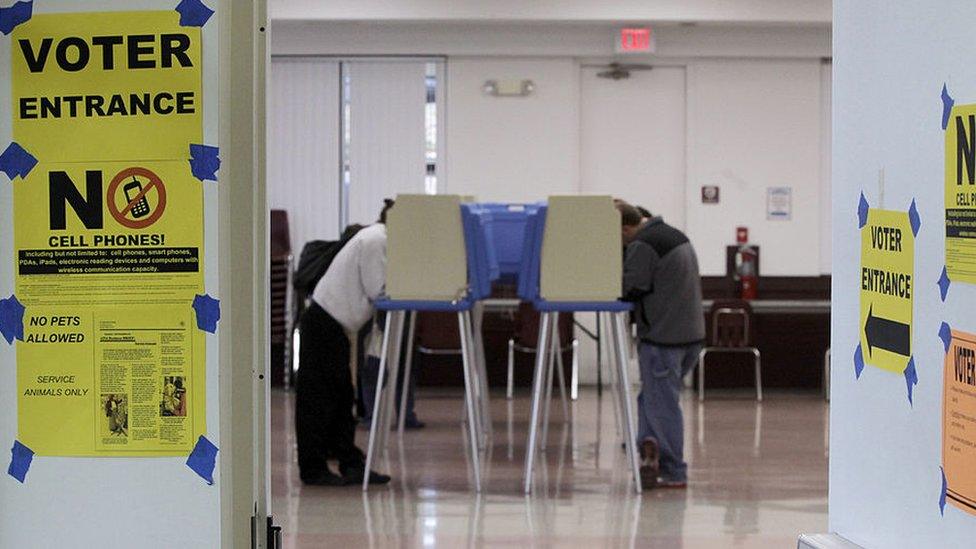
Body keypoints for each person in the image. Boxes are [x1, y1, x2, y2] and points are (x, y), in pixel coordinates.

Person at [294, 201, 395, 486]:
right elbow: (379, 289)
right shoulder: (377, 239)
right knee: (319, 401)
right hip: (325, 322)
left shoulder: (375, 237)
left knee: (340, 397)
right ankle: (313, 469)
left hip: (331, 324)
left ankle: (349, 462)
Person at [616, 199, 705, 489]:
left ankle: (673, 470)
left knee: (663, 405)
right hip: (690, 336)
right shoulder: (673, 234)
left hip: (663, 339)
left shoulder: (644, 245)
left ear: (626, 228)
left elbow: (629, 288)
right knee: (652, 399)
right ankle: (647, 447)